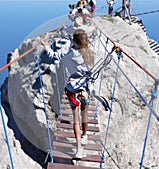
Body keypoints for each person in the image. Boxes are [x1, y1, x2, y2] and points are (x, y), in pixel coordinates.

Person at [42, 29, 94, 159]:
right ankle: (85, 136)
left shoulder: (68, 54)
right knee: (85, 112)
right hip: (85, 88)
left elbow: (53, 56)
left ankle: (79, 149)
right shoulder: (90, 54)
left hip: (72, 89)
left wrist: (45, 45)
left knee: (76, 119)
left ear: (74, 41)